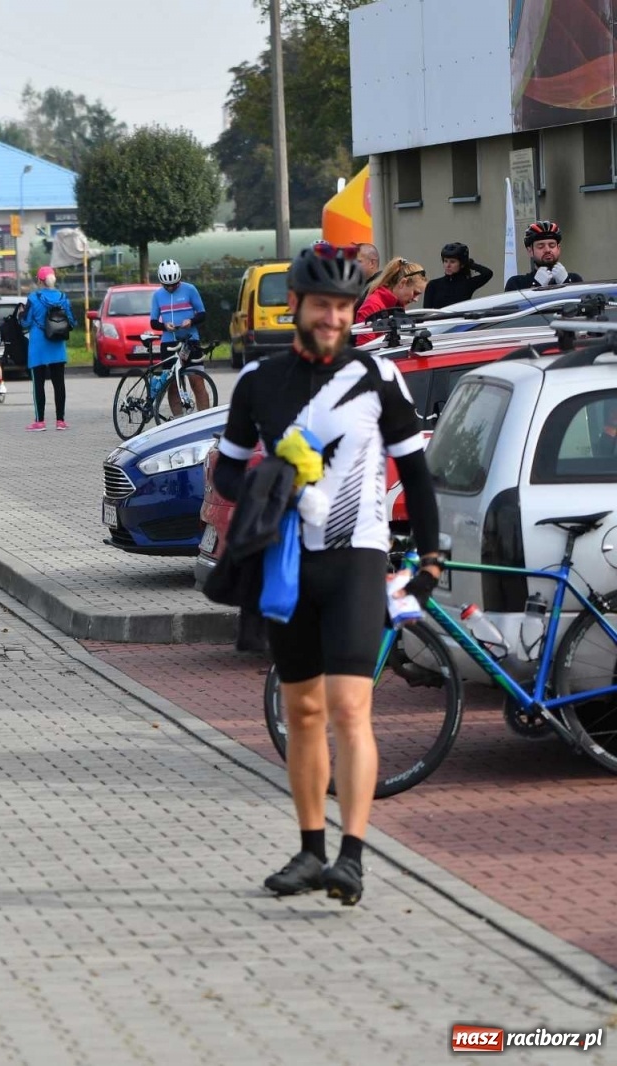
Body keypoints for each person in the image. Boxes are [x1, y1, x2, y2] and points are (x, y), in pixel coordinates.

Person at [214, 244, 443, 907]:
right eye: (322, 305)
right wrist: (271, 480)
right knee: (303, 710)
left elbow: (416, 474)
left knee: (349, 706)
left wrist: (429, 558)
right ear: (296, 305)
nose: (334, 318)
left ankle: (353, 857)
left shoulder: (378, 376)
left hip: (357, 557)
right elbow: (226, 470)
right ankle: (311, 849)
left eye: (344, 307)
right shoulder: (258, 380)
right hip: (290, 561)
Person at [147, 259, 210, 413]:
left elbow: (202, 314)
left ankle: (205, 418)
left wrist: (191, 321)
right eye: (166, 285)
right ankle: (177, 420)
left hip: (190, 341)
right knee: (173, 385)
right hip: (169, 344)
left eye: (174, 284)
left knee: (197, 382)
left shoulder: (190, 289)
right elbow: (153, 322)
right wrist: (164, 326)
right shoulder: (157, 295)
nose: (170, 288)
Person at [21, 265, 76, 431]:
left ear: (39, 281)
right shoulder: (63, 297)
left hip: (38, 346)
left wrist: (21, 315)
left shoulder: (33, 298)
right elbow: (72, 322)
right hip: (57, 345)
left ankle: (40, 421)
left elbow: (25, 322)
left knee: (38, 384)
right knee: (59, 383)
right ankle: (60, 421)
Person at [504, 220, 584, 291]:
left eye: (552, 245)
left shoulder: (575, 280)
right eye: (540, 246)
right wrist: (536, 284)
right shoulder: (517, 284)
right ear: (530, 251)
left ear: (558, 248)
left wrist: (566, 282)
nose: (547, 250)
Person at [422, 243, 494, 308]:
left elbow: (488, 273)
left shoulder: (468, 284)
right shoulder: (433, 285)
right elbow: (426, 312)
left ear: (462, 264)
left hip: (459, 318)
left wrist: (470, 264)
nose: (448, 265)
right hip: (439, 319)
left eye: (452, 262)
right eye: (445, 261)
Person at [354, 258, 427, 323]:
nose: (416, 299)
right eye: (415, 293)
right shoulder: (372, 306)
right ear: (402, 283)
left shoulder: (396, 305)